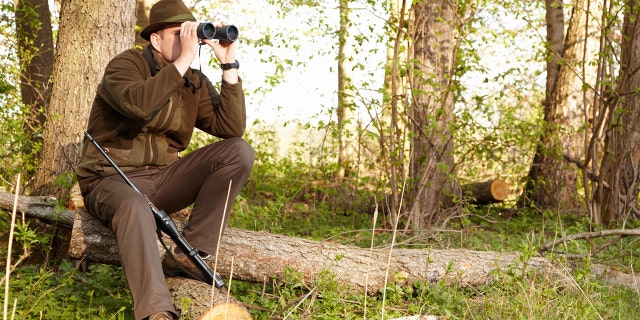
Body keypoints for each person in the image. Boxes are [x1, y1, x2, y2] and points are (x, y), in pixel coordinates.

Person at [75, 0, 254, 319]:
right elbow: (138, 106)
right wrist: (184, 60)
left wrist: (229, 66)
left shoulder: (193, 81)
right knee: (134, 206)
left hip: (163, 179)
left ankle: (188, 255)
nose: (188, 40)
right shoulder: (126, 65)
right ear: (155, 39)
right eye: (178, 33)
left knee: (239, 150)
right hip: (110, 180)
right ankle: (156, 312)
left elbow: (230, 128)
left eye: (191, 33)